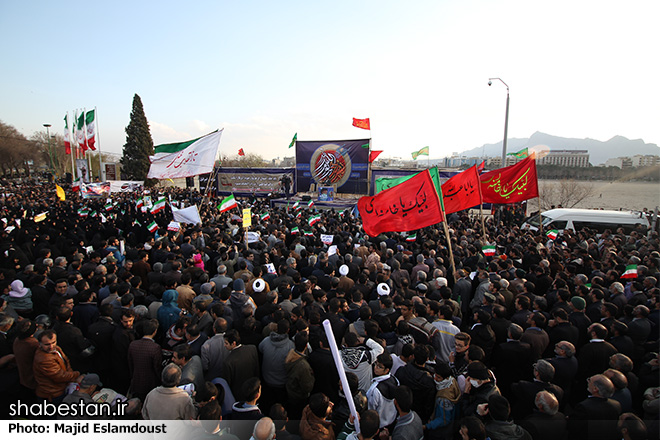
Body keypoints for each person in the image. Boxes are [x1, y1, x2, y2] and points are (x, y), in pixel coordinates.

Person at [33, 329, 83, 403]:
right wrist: (76, 374)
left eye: (53, 342)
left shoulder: (56, 349)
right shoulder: (44, 359)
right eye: (47, 344)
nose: (51, 346)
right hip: (52, 394)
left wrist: (70, 374)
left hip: (60, 389)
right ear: (40, 344)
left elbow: (66, 362)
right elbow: (59, 376)